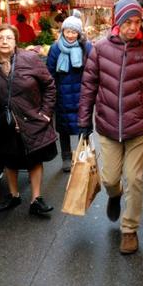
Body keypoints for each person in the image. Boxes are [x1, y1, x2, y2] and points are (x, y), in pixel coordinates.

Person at [78, 0, 143, 255]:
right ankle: (114, 194)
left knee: (135, 178)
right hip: (107, 126)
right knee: (109, 178)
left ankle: (129, 229)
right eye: (128, 22)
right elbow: (88, 87)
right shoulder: (99, 49)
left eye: (137, 22)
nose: (133, 27)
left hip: (138, 126)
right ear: (117, 22)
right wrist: (83, 120)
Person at [0, 23, 57, 216]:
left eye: (9, 38)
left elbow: (50, 86)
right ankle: (14, 195)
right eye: (0, 38)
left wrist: (45, 113)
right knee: (9, 158)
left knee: (34, 158)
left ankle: (36, 199)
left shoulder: (30, 59)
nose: (4, 41)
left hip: (31, 119)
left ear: (16, 41)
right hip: (2, 123)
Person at [46, 15, 92, 172]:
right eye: (67, 31)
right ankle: (66, 157)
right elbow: (49, 72)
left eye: (74, 32)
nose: (70, 35)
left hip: (82, 93)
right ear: (62, 31)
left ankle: (81, 155)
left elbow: (93, 69)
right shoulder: (56, 48)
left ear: (79, 33)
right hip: (62, 95)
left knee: (82, 125)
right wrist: (52, 93)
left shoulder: (86, 47)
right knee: (63, 127)